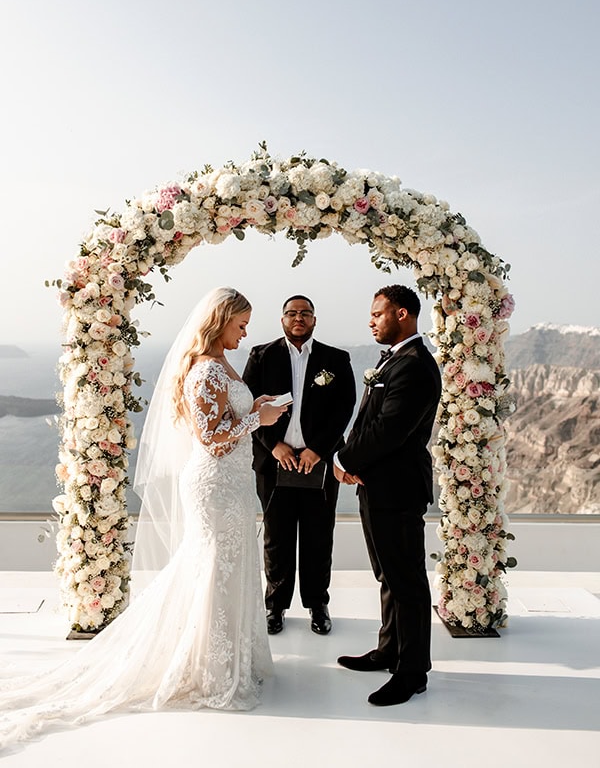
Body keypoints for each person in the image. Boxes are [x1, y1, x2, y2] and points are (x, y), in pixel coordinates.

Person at [0, 288, 288, 751]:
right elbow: (212, 438)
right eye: (241, 324)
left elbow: (231, 418)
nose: (245, 333)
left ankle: (229, 657)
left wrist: (256, 407)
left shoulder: (223, 364)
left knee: (228, 564)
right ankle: (210, 671)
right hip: (214, 483)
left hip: (233, 482)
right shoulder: (203, 371)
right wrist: (261, 419)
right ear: (219, 321)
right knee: (213, 565)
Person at [334, 285, 442, 706]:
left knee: (407, 581)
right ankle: (389, 649)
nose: (371, 321)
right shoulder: (394, 359)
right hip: (377, 485)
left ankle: (413, 672)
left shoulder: (414, 365)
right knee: (388, 576)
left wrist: (343, 459)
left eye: (378, 314)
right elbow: (370, 421)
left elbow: (391, 430)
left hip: (397, 488)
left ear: (402, 314)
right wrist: (353, 461)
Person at [242, 295, 356, 636]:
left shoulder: (335, 359)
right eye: (292, 313)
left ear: (314, 320)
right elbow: (248, 405)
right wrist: (274, 445)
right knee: (276, 537)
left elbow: (344, 407)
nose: (298, 318)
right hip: (274, 461)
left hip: (316, 462)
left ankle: (318, 604)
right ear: (282, 320)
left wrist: (317, 450)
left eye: (305, 313)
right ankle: (274, 606)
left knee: (318, 535)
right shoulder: (262, 356)